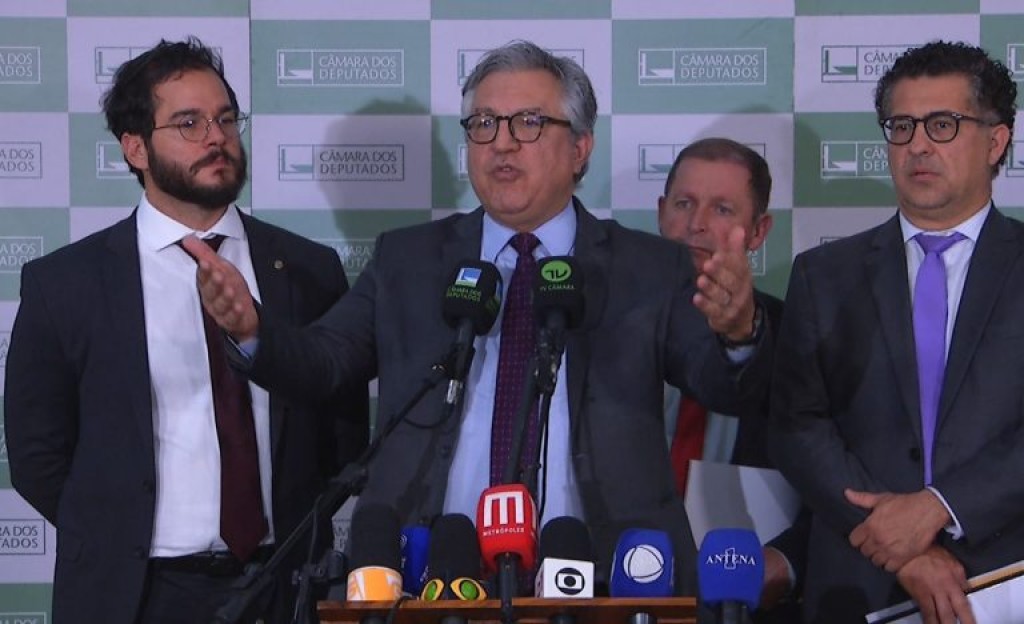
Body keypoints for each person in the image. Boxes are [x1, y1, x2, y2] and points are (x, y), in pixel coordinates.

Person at [186, 40, 773, 593]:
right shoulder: (407, 261)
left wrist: (738, 332)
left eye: (529, 123)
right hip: (435, 574)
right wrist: (253, 330)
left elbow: (721, 384)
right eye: (484, 123)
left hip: (603, 575)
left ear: (580, 148)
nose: (502, 144)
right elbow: (324, 362)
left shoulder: (648, 267)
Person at [3, 38, 369, 624]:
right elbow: (36, 456)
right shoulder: (65, 285)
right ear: (135, 147)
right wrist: (114, 536)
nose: (216, 137)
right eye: (189, 123)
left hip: (286, 588)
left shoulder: (309, 270)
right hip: (135, 596)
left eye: (225, 119)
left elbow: (343, 436)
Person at [770, 40, 1019, 624]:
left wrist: (940, 507)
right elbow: (798, 426)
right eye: (901, 127)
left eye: (942, 124)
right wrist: (895, 541)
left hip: (1004, 576)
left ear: (996, 141)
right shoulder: (823, 275)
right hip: (860, 579)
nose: (918, 146)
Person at [657, 138, 806, 621]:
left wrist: (786, 560)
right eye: (684, 204)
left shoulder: (799, 336)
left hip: (746, 603)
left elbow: (839, 480)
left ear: (759, 231)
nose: (696, 224)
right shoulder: (606, 326)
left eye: (722, 209)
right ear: (661, 213)